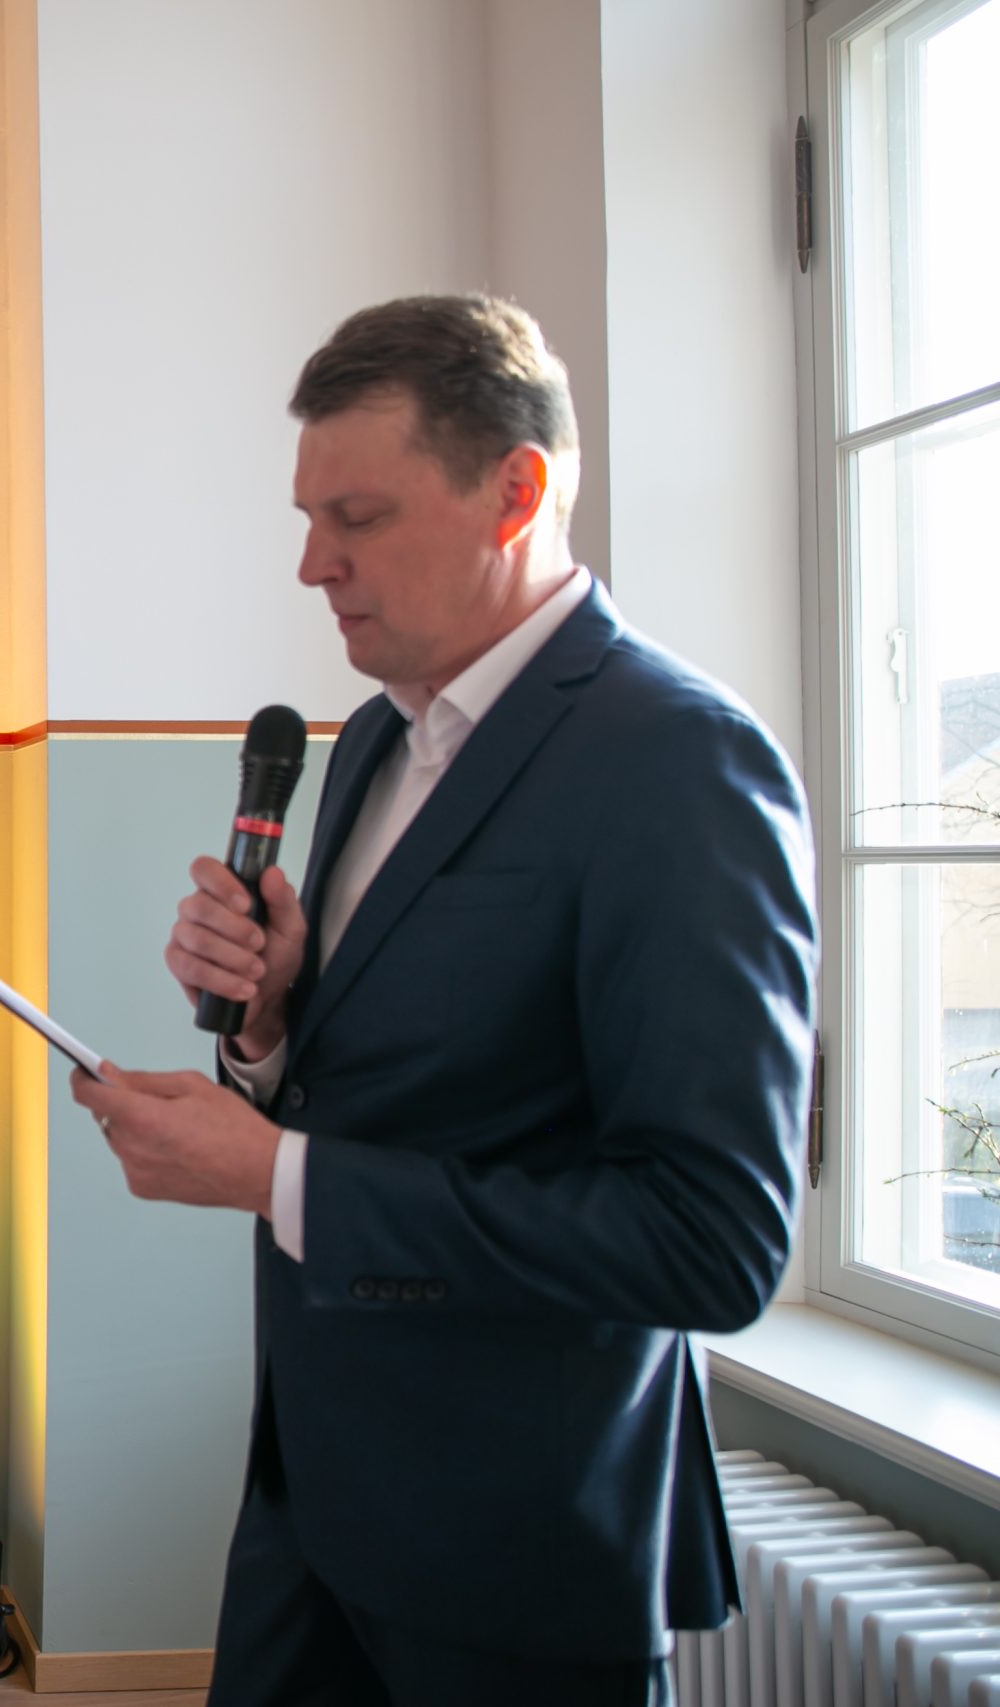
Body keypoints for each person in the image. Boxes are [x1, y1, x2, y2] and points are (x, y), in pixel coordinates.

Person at [71, 296, 816, 1705]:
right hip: (308, 1497)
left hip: (514, 1548)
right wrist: (271, 1023)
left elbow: (710, 1241)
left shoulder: (680, 763)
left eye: (356, 516)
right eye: (308, 517)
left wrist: (276, 1175)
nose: (312, 563)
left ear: (514, 492)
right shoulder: (370, 740)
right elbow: (380, 1081)